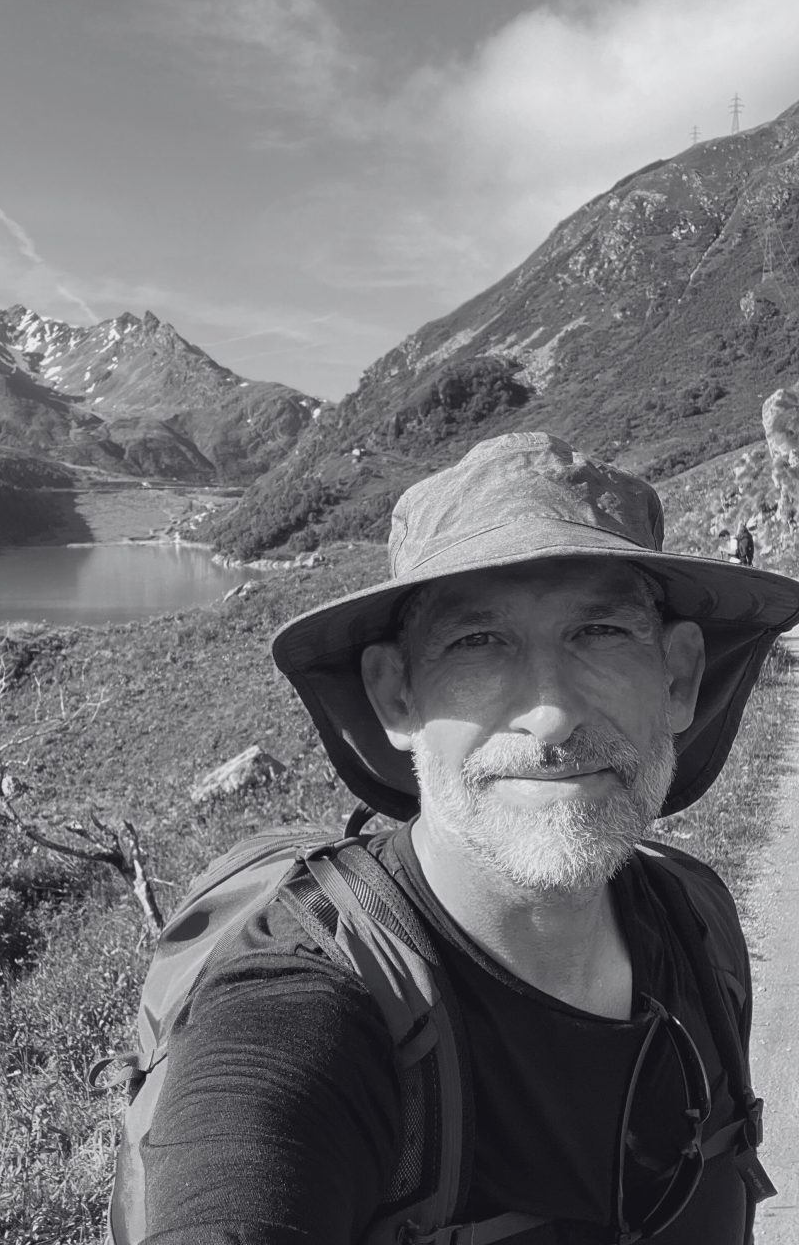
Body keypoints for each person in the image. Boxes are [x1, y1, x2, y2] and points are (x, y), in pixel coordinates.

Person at [129, 433, 799, 1244]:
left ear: (680, 679)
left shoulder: (698, 922)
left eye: (601, 633)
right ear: (396, 697)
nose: (551, 716)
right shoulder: (306, 1009)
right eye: (478, 642)